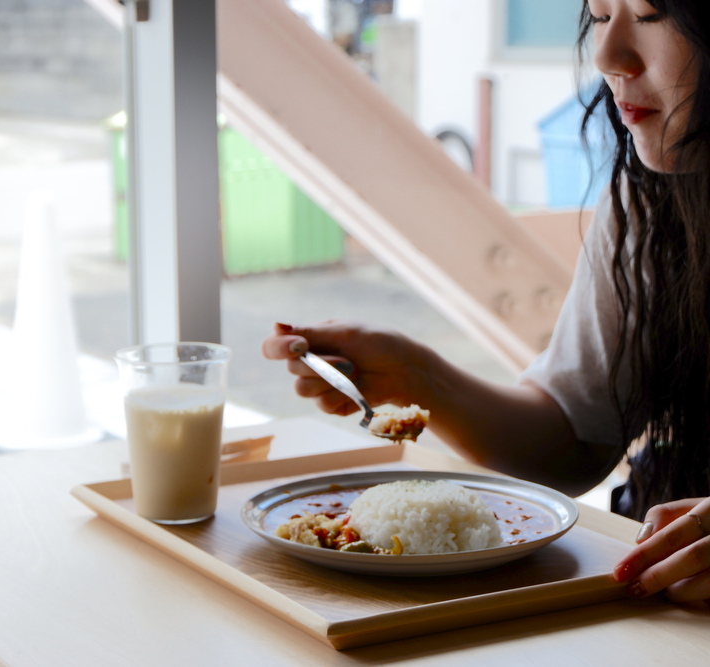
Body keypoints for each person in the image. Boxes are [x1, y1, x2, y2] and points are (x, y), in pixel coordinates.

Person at [262, 0, 710, 605]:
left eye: (652, 14)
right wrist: (421, 378)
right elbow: (573, 442)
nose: (606, 56)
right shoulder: (649, 202)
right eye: (601, 16)